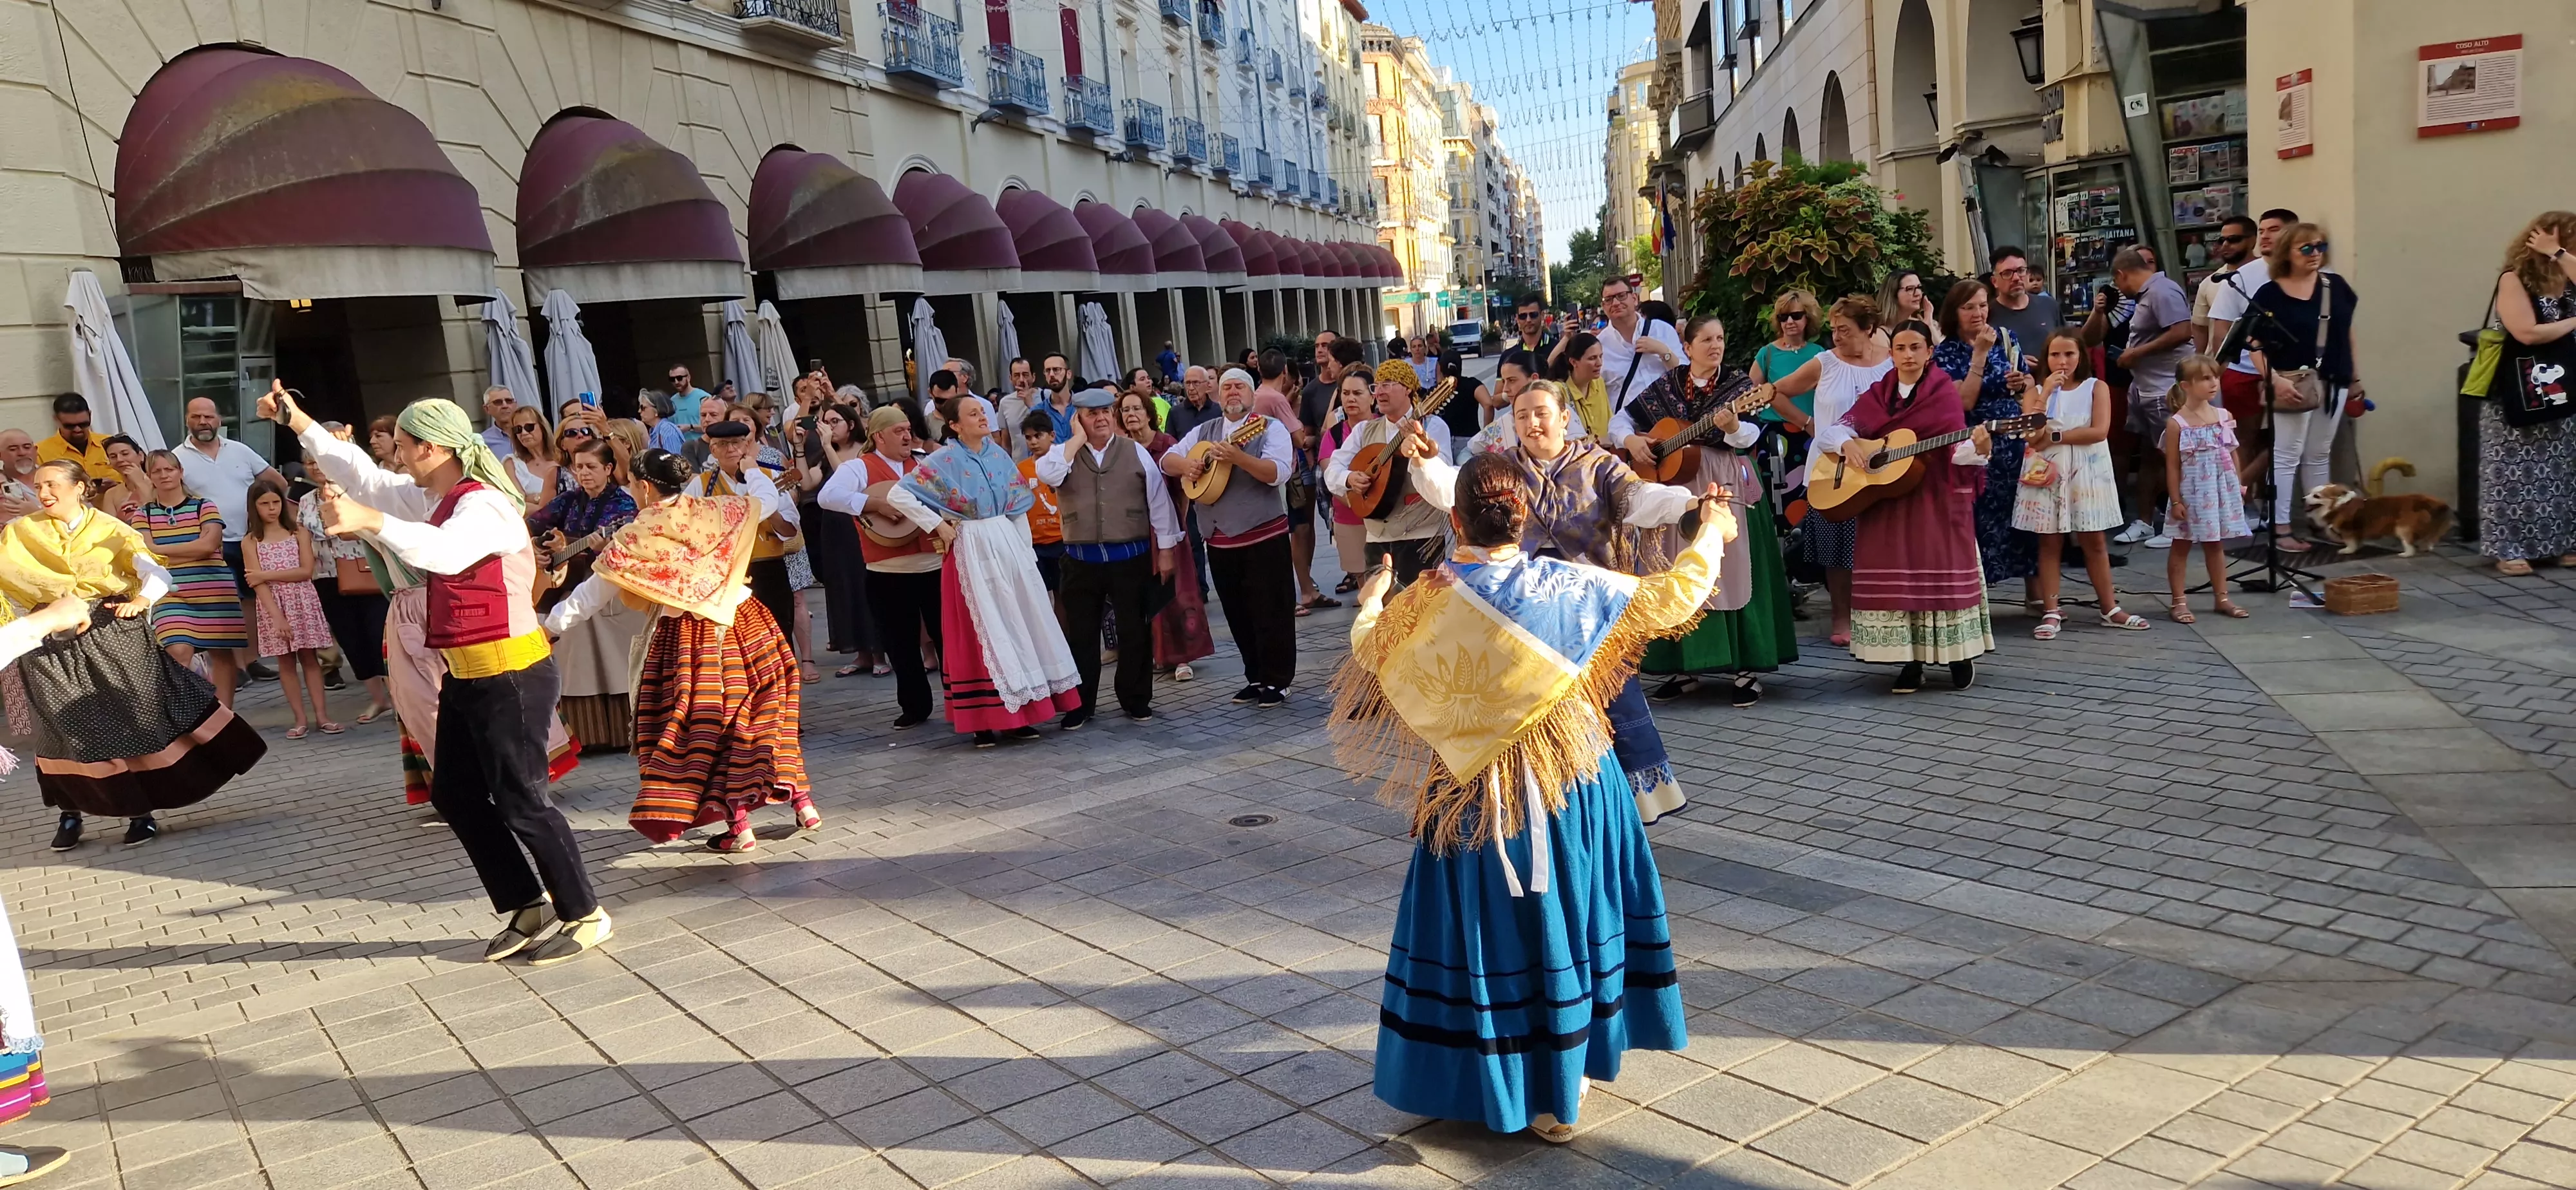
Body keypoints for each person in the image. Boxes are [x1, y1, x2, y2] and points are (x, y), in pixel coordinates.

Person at [1335, 452, 1731, 1144]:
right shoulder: (1569, 585)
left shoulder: (1424, 600)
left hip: (1469, 794)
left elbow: (1370, 648)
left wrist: (1373, 597)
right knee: (1568, 916)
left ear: (1452, 518)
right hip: (1571, 778)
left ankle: (1486, 1073)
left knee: (1485, 931)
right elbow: (1673, 597)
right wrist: (1713, 532)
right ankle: (1561, 1087)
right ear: (1522, 519)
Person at [289, 388, 611, 967]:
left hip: (512, 671)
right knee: (455, 793)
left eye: (407, 446)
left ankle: (586, 912)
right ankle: (526, 903)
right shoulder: (434, 495)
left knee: (523, 802)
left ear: (433, 449)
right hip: (468, 672)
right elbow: (365, 478)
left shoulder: (482, 505)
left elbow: (446, 553)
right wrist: (301, 421)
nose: (399, 456)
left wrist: (369, 521)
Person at [1415, 378, 1712, 821]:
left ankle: (1628, 807)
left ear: (1564, 418)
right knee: (1536, 716)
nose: (1531, 423)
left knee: (1616, 700)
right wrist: (1426, 462)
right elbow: (1454, 488)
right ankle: (1550, 805)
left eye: (1540, 412)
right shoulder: (1503, 470)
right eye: (1521, 415)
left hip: (1590, 608)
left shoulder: (1598, 464)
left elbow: (1640, 498)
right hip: (1525, 615)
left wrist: (1686, 505)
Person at [544, 448, 812, 853]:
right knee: (760, 712)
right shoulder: (718, 510)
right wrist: (753, 469)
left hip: (690, 637)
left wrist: (549, 627)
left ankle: (739, 826)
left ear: (646, 486)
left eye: (634, 483)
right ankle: (802, 802)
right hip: (746, 620)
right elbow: (768, 500)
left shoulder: (636, 535)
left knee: (698, 728)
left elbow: (591, 595)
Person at [5, 459, 263, 851]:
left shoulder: (112, 529)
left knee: (127, 723)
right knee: (61, 728)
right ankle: (70, 813)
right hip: (49, 641)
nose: (44, 494)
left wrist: (141, 599)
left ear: (81, 487)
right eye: (39, 486)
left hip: (111, 633)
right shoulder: (20, 532)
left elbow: (158, 573)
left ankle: (139, 812)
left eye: (53, 485)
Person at [883, 395, 1083, 746]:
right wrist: (937, 525)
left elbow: (1017, 508)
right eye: (972, 414)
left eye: (982, 412)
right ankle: (982, 719)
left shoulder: (998, 455)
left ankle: (1022, 714)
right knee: (981, 630)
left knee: (1018, 622)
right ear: (956, 426)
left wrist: (1026, 555)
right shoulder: (943, 459)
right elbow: (900, 495)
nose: (981, 418)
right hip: (969, 545)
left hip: (1005, 541)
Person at [1622, 312, 1799, 706]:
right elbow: (1623, 420)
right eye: (1707, 340)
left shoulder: (1738, 386)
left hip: (1722, 476)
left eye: (1720, 339)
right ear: (1687, 347)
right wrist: (1634, 442)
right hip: (1676, 487)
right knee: (1677, 565)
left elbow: (1750, 434)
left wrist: (1733, 427)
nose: (1716, 346)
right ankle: (1687, 668)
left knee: (1730, 566)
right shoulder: (1667, 386)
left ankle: (1745, 667)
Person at [1821, 322, 1994, 692]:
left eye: (1916, 347)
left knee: (1936, 574)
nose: (1908, 355)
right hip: (1887, 504)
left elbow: (1956, 451)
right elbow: (1832, 432)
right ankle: (1911, 662)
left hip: (1935, 499)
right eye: (1900, 348)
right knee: (1901, 579)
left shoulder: (1944, 391)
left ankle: (1959, 656)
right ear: (1891, 354)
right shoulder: (1879, 393)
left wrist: (1979, 449)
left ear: (1930, 352)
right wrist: (1847, 444)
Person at [1037, 389, 1183, 724]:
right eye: (1091, 414)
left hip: (1129, 557)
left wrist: (1166, 552)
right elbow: (1048, 475)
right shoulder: (1064, 454)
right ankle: (1080, 705)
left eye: (1105, 411)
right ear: (1078, 419)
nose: (1101, 418)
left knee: (1135, 632)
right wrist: (1075, 441)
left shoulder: (1135, 452)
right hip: (1080, 559)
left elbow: (1159, 505)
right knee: (1081, 635)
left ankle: (1135, 698)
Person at [1165, 368, 1300, 706]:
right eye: (1227, 388)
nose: (1233, 393)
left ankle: (1278, 680)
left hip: (1263, 535)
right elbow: (1168, 459)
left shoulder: (1270, 428)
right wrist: (1188, 468)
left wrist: (1240, 459)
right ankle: (1254, 676)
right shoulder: (1203, 432)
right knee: (1237, 612)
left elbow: (1278, 473)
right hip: (1219, 539)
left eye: (1240, 386)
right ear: (1218, 395)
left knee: (1272, 610)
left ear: (1253, 395)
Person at [1767, 295, 1894, 648]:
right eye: (1835, 330)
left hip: (1878, 468)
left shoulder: (1890, 365)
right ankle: (1842, 617)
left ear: (1869, 330)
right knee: (1836, 547)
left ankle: (1879, 615)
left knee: (1877, 544)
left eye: (1846, 331)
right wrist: (1806, 422)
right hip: (1830, 470)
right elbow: (1775, 392)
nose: (1837, 337)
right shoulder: (1824, 363)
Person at [2011, 330, 2146, 639]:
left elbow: (2099, 431)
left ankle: (2109, 607)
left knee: (2094, 539)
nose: (2062, 361)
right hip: (2048, 472)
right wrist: (2044, 394)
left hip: (2087, 470)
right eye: (2055, 355)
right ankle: (2051, 609)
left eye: (2069, 354)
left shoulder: (2095, 387)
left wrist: (2056, 436)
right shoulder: (2036, 392)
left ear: (2081, 357)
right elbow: (2031, 435)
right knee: (2049, 541)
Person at [2244, 222, 2360, 553]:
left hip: (2334, 379)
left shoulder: (2336, 286)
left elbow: (2346, 334)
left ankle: (2321, 520)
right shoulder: (2270, 293)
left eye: (2320, 247)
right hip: (2291, 381)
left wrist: (2355, 379)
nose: (2315, 254)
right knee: (2285, 456)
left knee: (2318, 454)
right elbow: (2254, 344)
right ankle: (2280, 528)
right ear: (2288, 254)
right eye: (2306, 248)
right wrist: (2275, 380)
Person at [526, 439, 643, 750]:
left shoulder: (624, 504)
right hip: (569, 588)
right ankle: (584, 736)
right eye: (578, 467)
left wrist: (577, 546)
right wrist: (538, 549)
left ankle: (622, 733)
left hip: (608, 592)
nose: (584, 474)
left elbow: (623, 543)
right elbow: (532, 523)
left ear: (608, 468)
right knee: (574, 653)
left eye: (591, 467)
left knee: (602, 651)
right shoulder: (568, 500)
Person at [2479, 214, 2576, 575]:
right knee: (2514, 473)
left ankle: (2561, 543)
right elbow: (2527, 333)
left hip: (2565, 388)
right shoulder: (2514, 279)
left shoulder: (2570, 276)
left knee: (2562, 471)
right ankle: (2510, 547)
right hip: (2520, 389)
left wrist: (2561, 254)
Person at [1934, 279, 2037, 591]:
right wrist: (1979, 354)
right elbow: (1963, 401)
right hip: (1978, 445)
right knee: (1981, 520)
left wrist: (2023, 382)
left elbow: (2029, 383)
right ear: (1955, 312)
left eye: (1982, 305)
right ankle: (1979, 595)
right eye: (1968, 308)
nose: (1978, 313)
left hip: (2014, 442)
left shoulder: (2005, 337)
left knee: (2024, 515)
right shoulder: (1945, 353)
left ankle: (2036, 597)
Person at [176, 397, 287, 674]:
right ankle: (233, 667)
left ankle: (251, 662)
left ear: (219, 420)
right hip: (212, 544)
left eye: (209, 417)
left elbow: (278, 483)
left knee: (251, 601)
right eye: (196, 417)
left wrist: (275, 521)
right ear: (187, 420)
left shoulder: (239, 450)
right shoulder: (176, 458)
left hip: (251, 539)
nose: (203, 422)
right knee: (225, 602)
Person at [130, 449, 245, 706]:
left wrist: (161, 552)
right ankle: (188, 714)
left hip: (214, 590)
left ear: (180, 472)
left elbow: (209, 545)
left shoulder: (204, 506)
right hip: (171, 593)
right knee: (177, 649)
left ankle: (224, 716)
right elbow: (145, 556)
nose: (164, 475)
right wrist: (191, 548)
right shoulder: (144, 514)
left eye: (169, 469)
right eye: (157, 471)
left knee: (222, 654)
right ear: (149, 477)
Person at [1326, 361, 1454, 588]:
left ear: (1407, 388)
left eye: (1388, 384)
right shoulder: (1364, 430)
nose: (1380, 392)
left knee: (1422, 612)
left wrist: (1420, 455)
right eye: (1377, 386)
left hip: (1423, 536)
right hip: (1377, 537)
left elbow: (1444, 474)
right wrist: (1349, 479)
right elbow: (1333, 470)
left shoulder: (1433, 425)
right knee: (1382, 611)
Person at [1118, 390, 1213, 686]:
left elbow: (1184, 489)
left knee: (1175, 592)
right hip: (1132, 530)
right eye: (1125, 410)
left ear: (1150, 414)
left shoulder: (1166, 445)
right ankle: (1156, 655)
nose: (1131, 414)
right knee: (1142, 593)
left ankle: (1182, 657)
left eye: (1136, 408)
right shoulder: (1120, 448)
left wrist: (1178, 525)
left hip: (1168, 529)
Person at [298, 434, 392, 727]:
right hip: (326, 576)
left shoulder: (356, 492)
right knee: (352, 640)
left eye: (319, 461)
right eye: (309, 462)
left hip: (366, 572)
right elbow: (304, 538)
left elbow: (367, 529)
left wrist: (338, 530)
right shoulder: (305, 500)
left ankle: (400, 699)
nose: (315, 467)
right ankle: (379, 699)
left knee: (380, 636)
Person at [2106, 247, 2194, 550]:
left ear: (2121, 274)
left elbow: (2183, 331)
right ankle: (2144, 521)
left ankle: (2177, 524)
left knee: (2172, 457)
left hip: (2165, 388)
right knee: (2150, 455)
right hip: (2144, 386)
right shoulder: (2146, 294)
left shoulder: (2162, 291)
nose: (2119, 290)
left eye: (2118, 284)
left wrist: (2135, 354)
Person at [688, 420, 802, 652]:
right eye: (722, 444)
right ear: (713, 450)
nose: (730, 449)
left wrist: (767, 511)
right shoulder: (700, 485)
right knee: (733, 644)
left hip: (767, 570)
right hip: (723, 574)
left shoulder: (769, 477)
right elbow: (686, 525)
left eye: (736, 443)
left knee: (779, 638)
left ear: (748, 445)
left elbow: (791, 531)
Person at [242, 475, 339, 737]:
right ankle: (300, 719)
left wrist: (265, 575)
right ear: (254, 507)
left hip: (302, 600)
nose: (272, 508)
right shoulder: (250, 541)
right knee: (285, 663)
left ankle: (322, 716)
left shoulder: (298, 532)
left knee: (310, 658)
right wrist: (277, 618)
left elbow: (306, 571)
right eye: (265, 503)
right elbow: (256, 583)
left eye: (276, 502)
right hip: (272, 607)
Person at [2163, 355, 2251, 619]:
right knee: (2181, 544)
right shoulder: (2177, 424)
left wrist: (2238, 484)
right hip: (2191, 493)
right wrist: (2176, 500)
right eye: (2205, 378)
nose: (2214, 383)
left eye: (2215, 377)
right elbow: (2172, 466)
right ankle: (2179, 601)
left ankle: (2222, 597)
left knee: (2216, 544)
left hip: (2219, 491)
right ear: (2186, 385)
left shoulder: (2224, 416)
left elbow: (2232, 452)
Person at [800, 402, 880, 674]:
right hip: (833, 528)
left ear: (851, 424)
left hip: (860, 524)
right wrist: (801, 448)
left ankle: (879, 654)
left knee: (865, 585)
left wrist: (826, 447)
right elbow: (806, 484)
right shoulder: (826, 454)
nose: (829, 427)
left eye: (835, 422)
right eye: (826, 422)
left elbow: (850, 479)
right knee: (842, 587)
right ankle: (860, 654)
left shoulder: (863, 452)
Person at [1589, 274, 1683, 424]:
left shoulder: (1662, 330)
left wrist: (1663, 351)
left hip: (1671, 424)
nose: (1615, 303)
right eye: (1609, 299)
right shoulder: (1599, 346)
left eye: (1621, 296)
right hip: (1629, 433)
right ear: (1604, 306)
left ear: (1634, 299)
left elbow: (1686, 377)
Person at [1319, 373, 1374, 596]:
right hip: (1349, 516)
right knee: (1365, 585)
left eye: (1358, 393)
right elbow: (1330, 476)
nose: (1351, 398)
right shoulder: (1333, 435)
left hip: (1388, 517)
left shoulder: (1386, 427)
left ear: (1373, 396)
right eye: (1346, 393)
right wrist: (1360, 504)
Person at [1749, 291, 1827, 422]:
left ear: (1807, 317)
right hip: (1775, 428)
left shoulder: (1819, 353)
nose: (1789, 322)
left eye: (1796, 316)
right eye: (1783, 317)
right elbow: (1749, 394)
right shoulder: (1767, 353)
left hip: (1812, 429)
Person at [1016, 410, 1067, 596]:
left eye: (1038, 436)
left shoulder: (1065, 463)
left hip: (1063, 541)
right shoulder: (1021, 469)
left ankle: (1063, 627)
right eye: (1029, 438)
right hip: (1035, 543)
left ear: (1052, 435)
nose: (1033, 442)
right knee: (1041, 598)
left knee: (1064, 594)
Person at [1985, 246, 2062, 366]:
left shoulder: (2049, 305)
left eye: (2021, 271)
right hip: (2009, 383)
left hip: (2052, 382)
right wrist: (2015, 363)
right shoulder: (1986, 314)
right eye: (2007, 273)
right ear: (1995, 281)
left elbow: (2068, 345)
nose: (2016, 278)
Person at [35, 395, 114, 483]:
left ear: (90, 416)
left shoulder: (111, 443)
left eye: (83, 424)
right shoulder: (40, 453)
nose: (78, 430)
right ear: (56, 420)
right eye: (70, 426)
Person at [1555, 332, 1609, 441]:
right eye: (1592, 358)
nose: (1599, 363)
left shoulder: (1599, 382)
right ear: (1574, 362)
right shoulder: (1558, 391)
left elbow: (1610, 422)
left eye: (1601, 356)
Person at [1877, 269, 1943, 346]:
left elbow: (1941, 355)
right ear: (1893, 294)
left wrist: (1929, 325)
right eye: (1910, 289)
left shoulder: (1927, 324)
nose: (1918, 294)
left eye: (1919, 288)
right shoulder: (1881, 333)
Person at [1500, 293, 1558, 379]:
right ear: (1517, 319)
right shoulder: (1507, 356)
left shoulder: (1558, 348)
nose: (1528, 320)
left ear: (1542, 315)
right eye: (1523, 316)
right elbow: (1500, 392)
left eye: (1533, 315)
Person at [666, 364, 710, 438]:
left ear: (688, 378)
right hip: (681, 447)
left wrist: (691, 427)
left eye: (679, 378)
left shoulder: (704, 397)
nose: (676, 382)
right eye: (672, 379)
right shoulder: (672, 401)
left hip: (702, 446)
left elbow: (714, 427)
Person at [638, 390, 686, 456]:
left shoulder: (667, 430)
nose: (639, 411)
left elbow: (674, 462)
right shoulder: (655, 430)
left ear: (657, 411)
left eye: (643, 408)